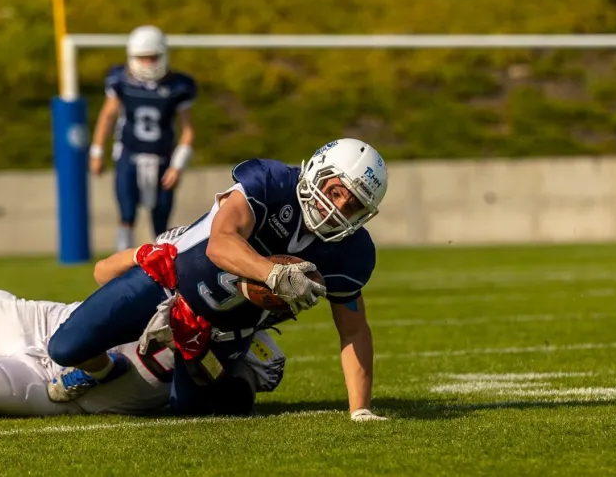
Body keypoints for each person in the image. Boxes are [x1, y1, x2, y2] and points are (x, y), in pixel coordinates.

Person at [46, 138, 388, 421]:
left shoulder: (351, 252)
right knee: (66, 348)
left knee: (190, 410)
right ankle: (104, 370)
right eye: (335, 191)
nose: (336, 207)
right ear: (316, 170)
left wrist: (360, 409)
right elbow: (220, 243)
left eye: (352, 205)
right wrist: (273, 274)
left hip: (223, 330)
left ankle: (245, 366)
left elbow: (354, 330)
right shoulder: (271, 182)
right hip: (169, 283)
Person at [0, 244, 286, 419]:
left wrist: (195, 353)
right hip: (52, 322)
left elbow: (214, 405)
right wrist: (144, 255)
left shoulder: (255, 347)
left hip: (60, 386)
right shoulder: (197, 252)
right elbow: (104, 272)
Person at [89, 25, 197, 252]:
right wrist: (96, 151)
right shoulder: (121, 80)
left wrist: (178, 166)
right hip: (129, 154)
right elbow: (108, 115)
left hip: (163, 158)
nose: (148, 63)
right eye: (142, 58)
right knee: (127, 214)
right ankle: (123, 261)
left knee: (161, 221)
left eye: (153, 57)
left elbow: (188, 130)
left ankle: (162, 264)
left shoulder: (178, 86)